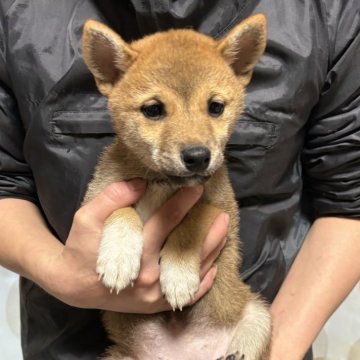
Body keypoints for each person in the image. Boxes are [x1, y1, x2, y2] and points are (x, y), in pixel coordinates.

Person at [0, 1, 359, 359]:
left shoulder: (325, 12)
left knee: (255, 319)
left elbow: (350, 197)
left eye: (215, 107)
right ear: (110, 74)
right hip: (100, 344)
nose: (195, 142)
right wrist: (63, 269)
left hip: (235, 330)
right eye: (155, 110)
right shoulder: (18, 14)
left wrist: (278, 353)